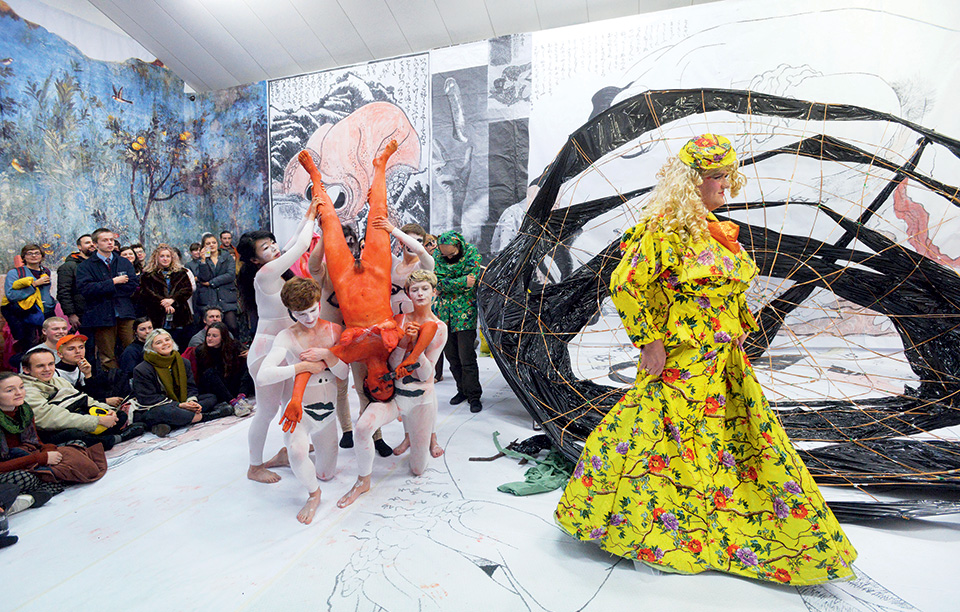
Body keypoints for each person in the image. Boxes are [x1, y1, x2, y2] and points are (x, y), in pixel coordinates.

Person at [554, 134, 857, 585]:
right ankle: (655, 532)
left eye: (726, 176)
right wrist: (649, 342)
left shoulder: (716, 231)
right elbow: (625, 283)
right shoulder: (664, 230)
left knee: (724, 441)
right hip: (682, 359)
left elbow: (725, 291)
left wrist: (736, 331)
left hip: (723, 360)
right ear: (691, 181)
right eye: (715, 177)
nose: (725, 186)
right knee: (665, 440)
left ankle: (736, 525)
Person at [338, 270, 448, 508]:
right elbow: (391, 364)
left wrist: (416, 350)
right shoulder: (398, 320)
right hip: (394, 395)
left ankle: (422, 439)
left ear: (434, 292)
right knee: (363, 427)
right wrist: (405, 344)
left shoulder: (439, 327)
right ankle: (363, 480)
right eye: (415, 289)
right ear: (407, 293)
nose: (419, 294)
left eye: (425, 289)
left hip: (420, 398)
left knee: (418, 469)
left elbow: (426, 374)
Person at [238, 204, 317, 483]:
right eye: (265, 248)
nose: (273, 248)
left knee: (289, 404)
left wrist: (310, 214)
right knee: (267, 411)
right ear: (254, 260)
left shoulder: (277, 270)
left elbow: (295, 240)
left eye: (272, 243)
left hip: (285, 347)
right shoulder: (266, 274)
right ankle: (254, 466)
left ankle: (287, 449)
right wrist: (316, 214)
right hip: (267, 350)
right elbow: (303, 244)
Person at [257, 277, 346, 523]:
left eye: (312, 311)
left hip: (328, 411)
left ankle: (286, 455)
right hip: (300, 409)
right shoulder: (286, 336)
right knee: (299, 453)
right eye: (300, 314)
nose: (308, 318)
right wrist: (302, 366)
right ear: (290, 312)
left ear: (319, 303)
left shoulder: (333, 330)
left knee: (326, 473)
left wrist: (328, 355)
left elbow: (343, 374)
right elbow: (264, 376)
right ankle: (313, 494)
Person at [307, 220, 393, 455]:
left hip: (359, 337)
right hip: (332, 337)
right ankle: (346, 429)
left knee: (366, 385)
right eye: (340, 244)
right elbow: (313, 266)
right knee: (339, 387)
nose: (345, 247)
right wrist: (326, 237)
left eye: (349, 243)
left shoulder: (361, 269)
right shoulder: (328, 270)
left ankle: (375, 434)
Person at [20, 347, 140, 450]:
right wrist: (96, 421)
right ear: (26, 369)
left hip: (77, 415)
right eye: (40, 366)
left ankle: (109, 434)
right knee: (74, 434)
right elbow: (50, 419)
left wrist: (107, 410)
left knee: (119, 415)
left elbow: (84, 399)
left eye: (50, 364)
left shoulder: (57, 380)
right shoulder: (26, 390)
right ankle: (114, 438)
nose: (47, 369)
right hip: (55, 429)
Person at [131, 329, 231, 437]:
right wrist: (179, 405)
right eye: (159, 342)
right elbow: (148, 399)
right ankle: (208, 416)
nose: (165, 343)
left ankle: (167, 424)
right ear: (150, 348)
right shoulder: (142, 369)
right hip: (158, 407)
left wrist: (191, 401)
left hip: (181, 403)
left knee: (211, 398)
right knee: (164, 412)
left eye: (167, 340)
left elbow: (191, 386)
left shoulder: (183, 362)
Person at [0, 372, 66, 515]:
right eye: (10, 390)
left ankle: (34, 492)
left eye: (21, 387)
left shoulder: (24, 410)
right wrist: (39, 458)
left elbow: (36, 442)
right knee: (24, 478)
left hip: (25, 457)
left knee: (72, 447)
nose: (19, 393)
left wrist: (46, 449)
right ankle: (32, 496)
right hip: (10, 468)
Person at [75, 228, 139, 370]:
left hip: (124, 312)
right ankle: (112, 385)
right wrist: (113, 282)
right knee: (107, 355)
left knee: (131, 349)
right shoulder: (86, 266)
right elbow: (86, 289)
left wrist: (103, 288)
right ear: (96, 243)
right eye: (105, 240)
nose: (110, 243)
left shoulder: (123, 262)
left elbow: (132, 285)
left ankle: (133, 382)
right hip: (101, 314)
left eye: (111, 240)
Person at [434, 231, 483, 412]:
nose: (447, 257)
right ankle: (461, 390)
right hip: (443, 314)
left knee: (467, 357)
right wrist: (462, 281)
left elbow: (474, 281)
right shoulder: (437, 256)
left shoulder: (472, 253)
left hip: (465, 313)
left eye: (451, 254)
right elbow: (437, 283)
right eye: (444, 254)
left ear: (459, 246)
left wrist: (447, 283)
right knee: (452, 356)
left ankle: (474, 395)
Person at [2, 244, 57, 356]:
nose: (34, 256)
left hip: (46, 312)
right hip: (26, 313)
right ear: (24, 257)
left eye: (37, 253)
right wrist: (34, 285)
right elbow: (11, 295)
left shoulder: (45, 271)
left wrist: (51, 303)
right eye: (29, 253)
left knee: (49, 344)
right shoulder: (15, 273)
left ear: (42, 256)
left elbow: (45, 292)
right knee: (29, 346)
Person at [139, 245, 193, 348]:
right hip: (157, 315)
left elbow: (187, 290)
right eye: (162, 256)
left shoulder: (181, 273)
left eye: (168, 256)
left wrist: (173, 300)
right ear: (156, 258)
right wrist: (163, 302)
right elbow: (146, 292)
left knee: (180, 345)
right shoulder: (148, 275)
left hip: (179, 315)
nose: (165, 259)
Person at [193, 322, 254, 413]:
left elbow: (246, 356)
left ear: (222, 337)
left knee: (249, 363)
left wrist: (251, 353)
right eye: (208, 335)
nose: (210, 338)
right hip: (216, 388)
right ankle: (234, 403)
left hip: (232, 382)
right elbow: (205, 376)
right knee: (210, 372)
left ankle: (241, 398)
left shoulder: (233, 346)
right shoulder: (201, 351)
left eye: (214, 336)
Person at [55, 334, 128, 405]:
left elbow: (92, 395)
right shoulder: (54, 373)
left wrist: (88, 375)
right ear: (60, 354)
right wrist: (104, 401)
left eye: (81, 347)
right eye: (71, 349)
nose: (78, 351)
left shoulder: (83, 368)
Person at [195, 233, 240, 339]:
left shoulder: (227, 257)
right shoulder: (202, 260)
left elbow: (230, 275)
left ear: (217, 243)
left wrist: (212, 282)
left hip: (226, 297)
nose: (211, 245)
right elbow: (204, 278)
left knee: (232, 326)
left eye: (214, 242)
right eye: (208, 243)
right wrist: (203, 260)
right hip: (209, 298)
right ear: (203, 246)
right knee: (211, 329)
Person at [57, 234, 97, 332]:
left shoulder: (99, 264)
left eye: (93, 242)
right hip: (82, 313)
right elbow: (64, 292)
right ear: (79, 247)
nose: (91, 245)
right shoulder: (69, 266)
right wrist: (71, 314)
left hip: (100, 313)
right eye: (87, 242)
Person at [423, 234, 444, 382]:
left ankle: (438, 373)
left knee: (437, 338)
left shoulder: (440, 261)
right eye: (428, 243)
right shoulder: (420, 262)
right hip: (425, 303)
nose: (433, 246)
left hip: (439, 303)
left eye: (434, 242)